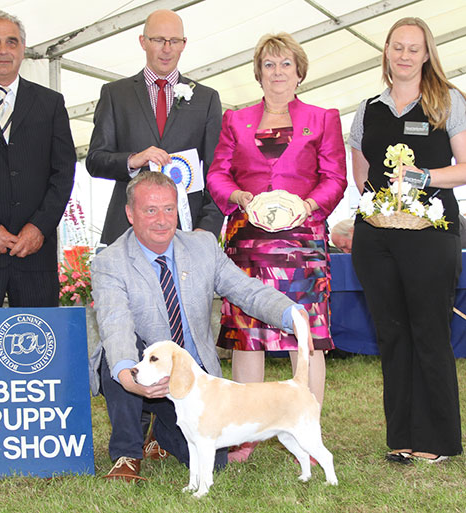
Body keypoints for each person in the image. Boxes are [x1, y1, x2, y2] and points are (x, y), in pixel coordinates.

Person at [90, 171, 310, 482]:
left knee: (215, 464)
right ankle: (127, 453)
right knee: (119, 362)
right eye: (150, 210)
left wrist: (291, 314)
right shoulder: (110, 262)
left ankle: (160, 434)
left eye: (169, 209)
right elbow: (115, 324)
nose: (162, 220)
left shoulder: (203, 245)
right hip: (142, 364)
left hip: (195, 381)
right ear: (130, 213)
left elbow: (247, 290)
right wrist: (129, 377)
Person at [206, 32, 347, 462]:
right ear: (258, 73)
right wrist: (238, 197)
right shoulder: (235, 119)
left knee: (305, 335)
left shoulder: (323, 118)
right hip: (248, 244)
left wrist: (308, 205)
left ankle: (307, 430)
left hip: (302, 244)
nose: (278, 72)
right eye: (269, 65)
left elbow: (335, 178)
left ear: (300, 72)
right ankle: (246, 437)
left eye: (286, 64)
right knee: (248, 337)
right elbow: (217, 175)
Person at [348, 17, 465, 463]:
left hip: (431, 235)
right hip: (376, 238)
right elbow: (360, 171)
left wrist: (424, 178)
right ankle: (401, 437)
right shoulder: (368, 108)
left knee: (429, 333)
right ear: (387, 52)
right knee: (392, 335)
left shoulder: (448, 102)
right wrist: (381, 204)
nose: (404, 55)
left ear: (427, 54)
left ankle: (437, 441)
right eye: (397, 47)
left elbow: (465, 166)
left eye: (413, 48)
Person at [86, 9, 224, 245]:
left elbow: (217, 172)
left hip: (186, 233)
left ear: (184, 44)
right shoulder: (115, 94)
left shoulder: (207, 98)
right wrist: (133, 160)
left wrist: (206, 229)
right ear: (143, 42)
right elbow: (95, 160)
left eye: (174, 41)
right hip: (125, 232)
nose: (167, 48)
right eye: (158, 40)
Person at [0, 11, 75, 307]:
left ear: (23, 49)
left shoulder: (51, 104)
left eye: (11, 42)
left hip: (35, 256)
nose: (3, 50)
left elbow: (64, 172)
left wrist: (39, 227)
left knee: (37, 349)